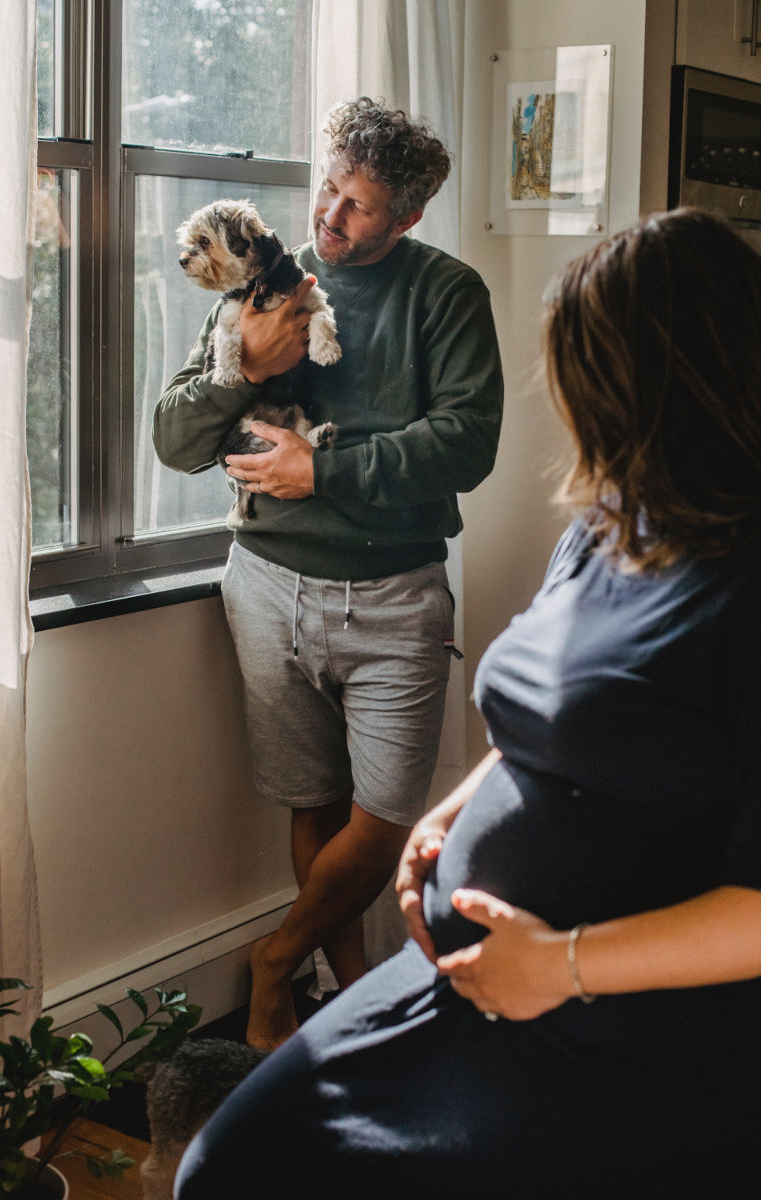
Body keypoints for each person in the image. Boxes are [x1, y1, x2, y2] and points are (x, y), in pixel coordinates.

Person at [174, 208, 761, 1193]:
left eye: (589, 371)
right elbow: (554, 723)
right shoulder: (612, 524)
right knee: (230, 1163)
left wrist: (562, 964)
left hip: (615, 1005)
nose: (573, 404)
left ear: (674, 382)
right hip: (474, 964)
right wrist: (447, 819)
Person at [154, 97, 503, 1052]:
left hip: (395, 595)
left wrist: (324, 469)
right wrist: (242, 370)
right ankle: (349, 1007)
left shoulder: (446, 293)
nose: (329, 215)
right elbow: (173, 442)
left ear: (407, 217)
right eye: (329, 189)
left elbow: (467, 441)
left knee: (384, 818)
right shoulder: (264, 284)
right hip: (266, 586)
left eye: (359, 204)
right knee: (313, 801)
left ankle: (274, 962)